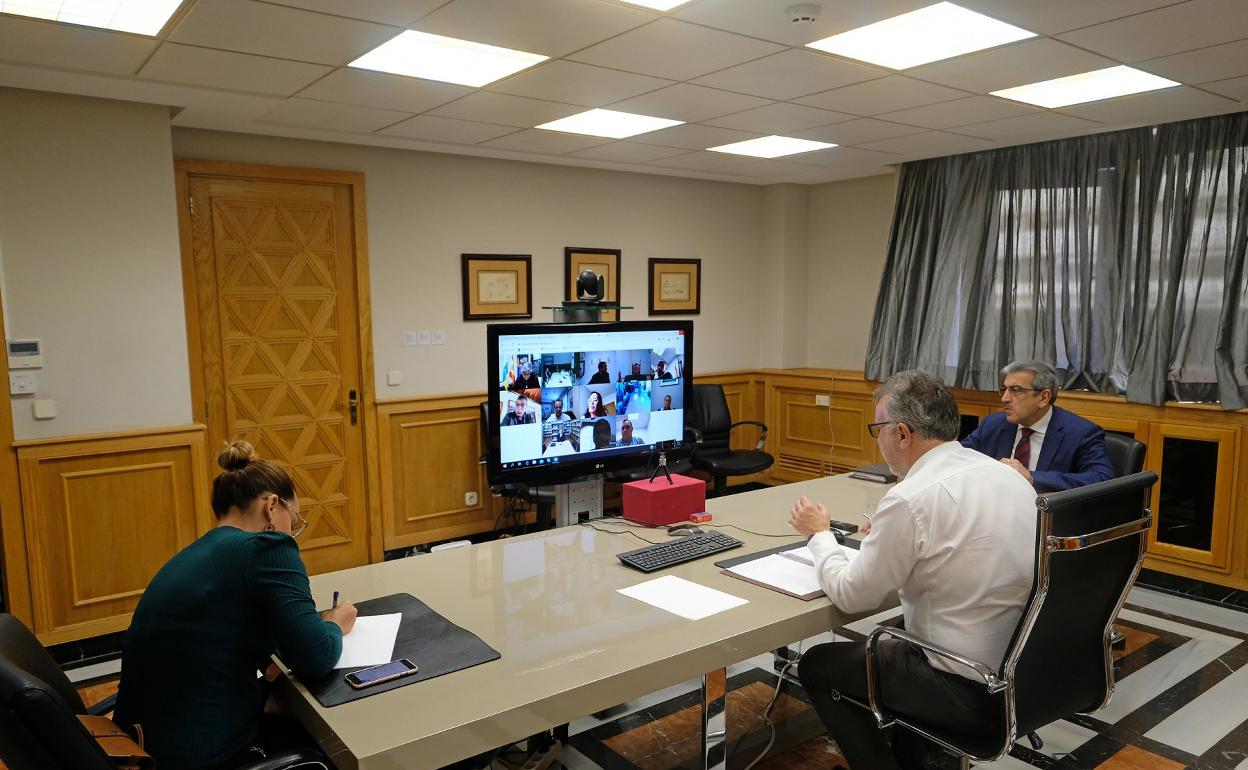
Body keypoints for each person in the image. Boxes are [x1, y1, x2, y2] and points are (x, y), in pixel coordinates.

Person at [789, 370, 1035, 770]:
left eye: (878, 429)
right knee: (897, 637)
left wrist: (820, 536)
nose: (880, 439)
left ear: (902, 433)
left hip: (964, 685)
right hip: (1020, 668)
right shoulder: (1008, 476)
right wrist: (885, 531)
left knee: (819, 665)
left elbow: (853, 596)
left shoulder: (910, 498)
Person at [114, 441, 357, 770]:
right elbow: (315, 657)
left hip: (143, 746)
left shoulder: (197, 554)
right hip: (208, 756)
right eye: (294, 520)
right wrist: (335, 623)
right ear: (272, 507)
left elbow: (232, 638)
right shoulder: (266, 549)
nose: (292, 533)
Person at [961, 360, 1113, 492]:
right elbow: (960, 457)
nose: (1005, 399)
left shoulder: (1081, 433)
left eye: (1015, 390)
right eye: (1003, 390)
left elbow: (1102, 478)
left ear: (1043, 397)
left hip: (1046, 518)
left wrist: (1032, 477)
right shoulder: (993, 424)